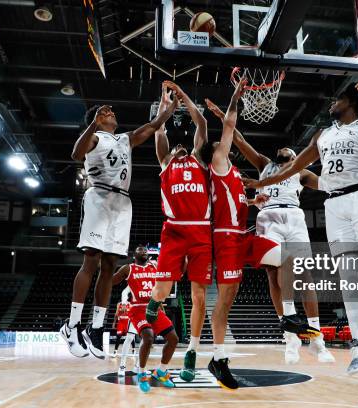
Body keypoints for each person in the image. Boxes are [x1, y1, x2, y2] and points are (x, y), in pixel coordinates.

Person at [244, 80, 358, 379]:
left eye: (338, 99)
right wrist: (262, 183)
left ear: (351, 103)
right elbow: (293, 169)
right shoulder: (322, 135)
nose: (332, 103)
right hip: (334, 206)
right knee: (347, 274)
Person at [206, 98, 332, 365]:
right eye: (281, 147)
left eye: (288, 147)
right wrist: (222, 116)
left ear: (297, 156)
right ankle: (290, 337)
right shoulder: (264, 163)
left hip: (295, 218)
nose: (282, 148)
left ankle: (317, 338)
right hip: (269, 217)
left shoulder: (303, 173)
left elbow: (328, 185)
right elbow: (239, 141)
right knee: (274, 273)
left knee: (305, 276)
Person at [60, 92, 179, 360]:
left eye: (111, 111)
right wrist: (93, 123)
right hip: (99, 196)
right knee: (91, 261)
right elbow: (75, 153)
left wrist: (169, 108)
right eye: (105, 112)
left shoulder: (124, 138)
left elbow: (151, 127)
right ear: (97, 120)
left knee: (111, 263)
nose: (111, 111)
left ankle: (96, 327)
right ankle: (72, 325)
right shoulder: (94, 137)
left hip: (122, 202)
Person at [145, 81, 212, 383]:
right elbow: (159, 130)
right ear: (171, 152)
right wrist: (164, 103)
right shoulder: (165, 163)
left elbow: (202, 123)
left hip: (199, 233)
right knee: (162, 290)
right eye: (175, 147)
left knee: (199, 297)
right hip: (172, 233)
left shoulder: (198, 159)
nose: (178, 147)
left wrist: (183, 97)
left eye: (181, 145)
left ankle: (192, 352)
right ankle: (154, 302)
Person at [113, 245, 179, 393]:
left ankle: (161, 371)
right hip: (137, 309)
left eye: (145, 250)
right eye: (140, 249)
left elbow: (164, 282)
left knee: (173, 338)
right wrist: (106, 269)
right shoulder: (127, 268)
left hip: (154, 307)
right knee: (148, 338)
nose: (143, 251)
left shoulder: (154, 266)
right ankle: (142, 373)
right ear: (134, 254)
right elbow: (111, 281)